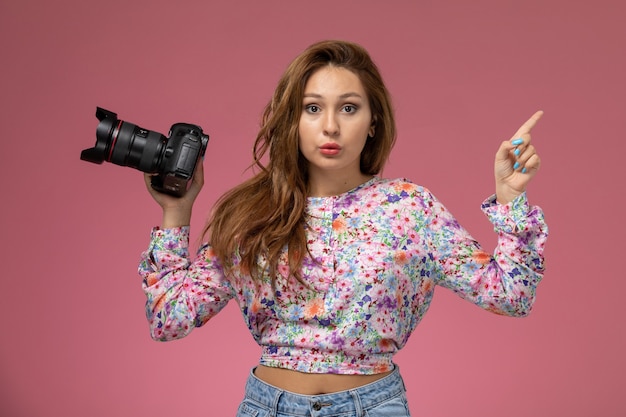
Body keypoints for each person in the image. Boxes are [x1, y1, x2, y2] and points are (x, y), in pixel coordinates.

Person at [139, 40, 548, 416]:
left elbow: (511, 295)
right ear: (292, 119)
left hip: (374, 406)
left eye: (349, 108)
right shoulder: (251, 214)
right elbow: (168, 318)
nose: (330, 126)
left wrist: (510, 199)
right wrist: (177, 212)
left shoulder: (410, 207)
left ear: (373, 122)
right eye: (312, 108)